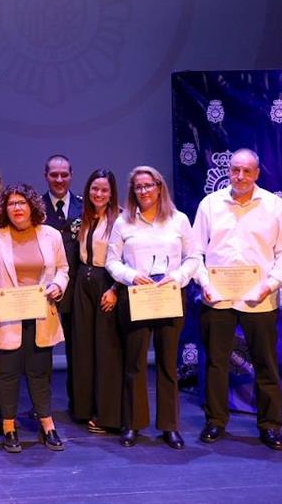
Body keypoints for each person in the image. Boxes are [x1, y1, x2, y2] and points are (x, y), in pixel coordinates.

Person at [192, 148, 282, 449]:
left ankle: (270, 425)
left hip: (259, 297)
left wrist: (272, 283)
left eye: (247, 171)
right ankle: (215, 420)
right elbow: (195, 251)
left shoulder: (275, 206)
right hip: (217, 297)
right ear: (228, 171)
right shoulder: (210, 204)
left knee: (266, 363)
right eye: (235, 170)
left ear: (257, 173)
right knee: (215, 362)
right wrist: (205, 282)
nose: (240, 176)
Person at [106, 167, 198, 449]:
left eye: (148, 185)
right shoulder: (124, 222)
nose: (143, 191)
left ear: (159, 187)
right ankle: (133, 424)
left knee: (168, 363)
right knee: (135, 363)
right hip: (137, 297)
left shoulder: (178, 220)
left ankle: (169, 426)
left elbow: (193, 258)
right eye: (138, 187)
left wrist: (178, 277)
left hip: (169, 295)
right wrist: (131, 276)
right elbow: (112, 261)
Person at [0, 184, 69, 453]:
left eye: (22, 202)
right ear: (5, 208)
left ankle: (47, 424)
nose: (17, 208)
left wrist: (58, 286)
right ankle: (9, 426)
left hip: (41, 314)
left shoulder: (50, 235)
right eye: (11, 203)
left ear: (32, 206)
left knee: (40, 372)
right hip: (7, 316)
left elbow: (63, 269)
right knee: (7, 374)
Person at [68, 169, 123, 435]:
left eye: (104, 190)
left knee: (106, 349)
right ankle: (83, 408)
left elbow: (126, 260)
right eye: (94, 189)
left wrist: (114, 289)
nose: (98, 194)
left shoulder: (120, 219)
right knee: (83, 348)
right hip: (82, 280)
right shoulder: (84, 218)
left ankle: (108, 414)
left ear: (111, 193)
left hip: (106, 282)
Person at [41, 154, 81, 412]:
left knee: (77, 351)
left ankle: (78, 404)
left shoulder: (84, 206)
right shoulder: (36, 207)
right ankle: (40, 405)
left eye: (64, 174)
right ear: (46, 175)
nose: (59, 179)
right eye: (54, 174)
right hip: (45, 290)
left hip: (77, 289)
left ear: (71, 175)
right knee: (41, 353)